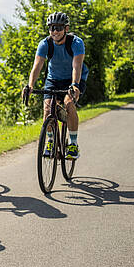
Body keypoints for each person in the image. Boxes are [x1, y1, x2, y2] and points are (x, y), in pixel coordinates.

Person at [22, 12, 88, 159]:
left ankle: (73, 144)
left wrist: (75, 85)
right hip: (53, 79)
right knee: (47, 108)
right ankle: (51, 141)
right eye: (51, 28)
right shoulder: (45, 44)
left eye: (58, 28)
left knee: (69, 103)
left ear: (66, 28)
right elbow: (37, 66)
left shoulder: (76, 43)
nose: (55, 31)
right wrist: (30, 85)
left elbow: (76, 67)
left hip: (74, 79)